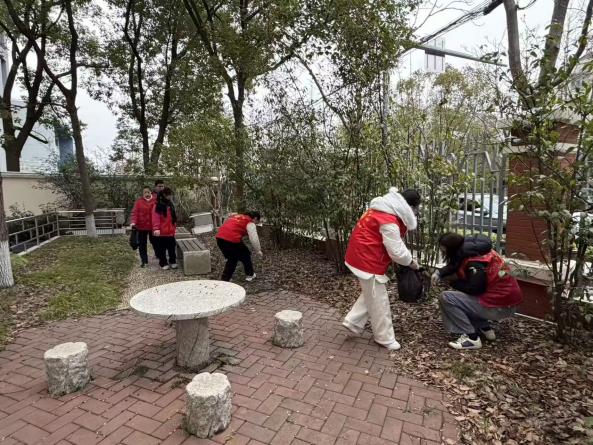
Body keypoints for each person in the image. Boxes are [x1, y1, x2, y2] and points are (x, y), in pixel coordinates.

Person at [342, 188, 421, 351]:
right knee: (379, 301)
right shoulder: (389, 219)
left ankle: (353, 321)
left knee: (372, 293)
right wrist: (411, 262)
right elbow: (397, 251)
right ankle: (385, 338)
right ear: (410, 207)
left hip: (361, 254)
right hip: (367, 260)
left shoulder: (383, 208)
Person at [432, 233, 523, 350]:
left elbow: (475, 289)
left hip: (498, 307)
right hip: (506, 302)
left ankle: (472, 338)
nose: (443, 252)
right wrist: (439, 273)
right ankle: (485, 328)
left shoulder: (474, 263)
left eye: (443, 249)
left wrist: (452, 282)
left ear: (452, 249)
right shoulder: (477, 250)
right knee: (463, 298)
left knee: (447, 298)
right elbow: (455, 264)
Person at [215, 211, 263, 282]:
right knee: (233, 259)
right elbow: (254, 238)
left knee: (245, 254)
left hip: (219, 238)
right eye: (257, 222)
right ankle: (224, 281)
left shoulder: (237, 216)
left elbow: (227, 224)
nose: (256, 224)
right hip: (231, 239)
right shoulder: (250, 222)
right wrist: (258, 250)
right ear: (255, 218)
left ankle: (250, 274)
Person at [130, 186, 156, 267]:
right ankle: (144, 261)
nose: (146, 194)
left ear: (151, 192)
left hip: (153, 226)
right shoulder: (139, 202)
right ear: (143, 193)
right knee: (142, 244)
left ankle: (158, 254)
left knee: (155, 242)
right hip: (141, 227)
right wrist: (133, 222)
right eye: (145, 192)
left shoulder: (156, 201)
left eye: (148, 192)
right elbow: (135, 213)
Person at [152, 187, 177, 270]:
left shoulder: (170, 204)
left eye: (170, 195)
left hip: (170, 231)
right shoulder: (157, 206)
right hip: (161, 232)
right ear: (164, 195)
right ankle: (163, 263)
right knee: (162, 249)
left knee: (172, 247)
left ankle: (173, 261)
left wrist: (174, 227)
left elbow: (173, 217)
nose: (170, 196)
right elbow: (155, 218)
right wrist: (156, 228)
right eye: (168, 195)